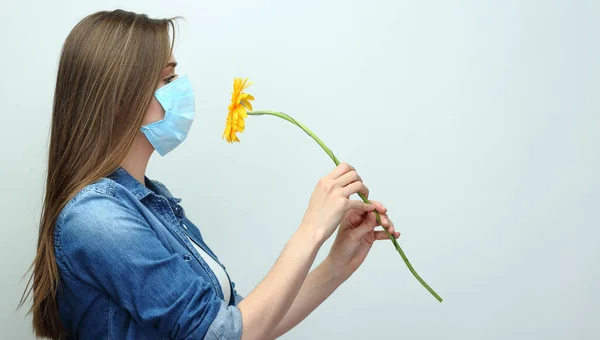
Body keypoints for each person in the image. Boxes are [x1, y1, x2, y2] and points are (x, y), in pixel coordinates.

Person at [20, 9, 399, 340]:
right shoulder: (97, 218)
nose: (181, 89)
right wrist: (311, 230)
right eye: (168, 80)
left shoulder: (153, 203)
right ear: (122, 95)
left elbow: (242, 323)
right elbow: (225, 336)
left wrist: (337, 264)